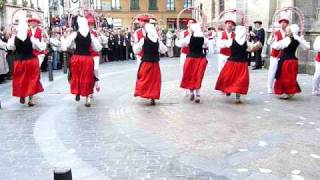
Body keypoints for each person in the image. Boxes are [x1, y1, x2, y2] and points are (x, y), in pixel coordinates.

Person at [61, 17, 102, 107]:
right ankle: (87, 99)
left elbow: (65, 45)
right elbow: (98, 48)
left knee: (76, 76)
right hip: (87, 59)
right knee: (87, 77)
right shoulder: (90, 35)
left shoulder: (75, 34)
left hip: (77, 58)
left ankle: (77, 92)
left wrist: (69, 46)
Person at [7, 17, 46, 106]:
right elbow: (40, 47)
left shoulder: (14, 38)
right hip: (31, 61)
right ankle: (30, 99)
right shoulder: (31, 38)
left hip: (19, 61)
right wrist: (43, 41)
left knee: (20, 79)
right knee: (31, 79)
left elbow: (10, 47)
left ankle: (22, 94)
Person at [215, 26, 253, 103]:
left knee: (230, 78)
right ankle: (236, 96)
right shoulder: (245, 42)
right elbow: (253, 47)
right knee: (239, 80)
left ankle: (231, 92)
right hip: (241, 64)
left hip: (233, 63)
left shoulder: (232, 41)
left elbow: (221, 44)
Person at [133, 23, 168, 105]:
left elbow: (136, 51)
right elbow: (164, 50)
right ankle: (153, 96)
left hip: (146, 63)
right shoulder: (157, 41)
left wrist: (135, 44)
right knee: (154, 80)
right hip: (155, 63)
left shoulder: (143, 40)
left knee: (144, 79)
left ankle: (146, 94)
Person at [272, 24, 310, 99]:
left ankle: (287, 92)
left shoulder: (287, 39)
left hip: (286, 61)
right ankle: (290, 92)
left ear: (291, 32)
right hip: (293, 61)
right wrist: (301, 39)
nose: (286, 32)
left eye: (288, 30)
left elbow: (276, 46)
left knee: (285, 77)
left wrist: (276, 39)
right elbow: (306, 47)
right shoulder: (297, 40)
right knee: (291, 77)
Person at [179, 23, 209, 103]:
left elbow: (180, 44)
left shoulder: (189, 38)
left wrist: (178, 39)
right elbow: (206, 45)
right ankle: (198, 95)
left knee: (190, 75)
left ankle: (191, 91)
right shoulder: (203, 38)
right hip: (200, 58)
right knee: (198, 76)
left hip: (191, 58)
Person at [267, 17, 290, 94]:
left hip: (284, 56)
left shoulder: (288, 34)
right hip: (275, 55)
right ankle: (269, 87)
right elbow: (268, 42)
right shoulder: (275, 32)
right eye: (281, 22)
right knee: (272, 71)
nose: (283, 24)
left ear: (287, 24)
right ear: (279, 24)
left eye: (285, 22)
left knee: (282, 72)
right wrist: (272, 36)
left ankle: (278, 86)